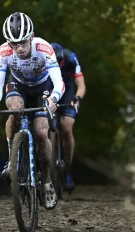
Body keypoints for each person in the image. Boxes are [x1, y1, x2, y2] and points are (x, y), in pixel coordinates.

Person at [0, 12, 65, 210]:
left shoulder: (44, 49)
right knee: (14, 110)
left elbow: (59, 82)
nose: (18, 48)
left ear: (31, 36)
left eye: (22, 42)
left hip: (42, 87)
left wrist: (54, 99)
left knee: (40, 132)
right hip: (17, 85)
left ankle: (46, 181)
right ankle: (12, 159)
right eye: (13, 43)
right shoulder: (3, 52)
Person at [50, 42, 86, 192]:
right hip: (50, 88)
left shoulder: (71, 57)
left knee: (66, 126)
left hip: (68, 90)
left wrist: (77, 98)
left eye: (60, 63)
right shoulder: (43, 59)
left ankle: (68, 170)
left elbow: (81, 84)